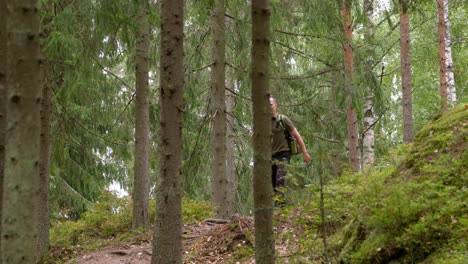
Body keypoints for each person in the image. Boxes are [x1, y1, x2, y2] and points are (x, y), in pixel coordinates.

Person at [270, 96, 311, 206]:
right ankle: (282, 206)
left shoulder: (283, 119)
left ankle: (278, 208)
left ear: (276, 105)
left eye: (271, 104)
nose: (269, 107)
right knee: (273, 182)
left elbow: (297, 136)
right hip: (269, 156)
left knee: (280, 180)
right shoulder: (263, 123)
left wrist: (305, 153)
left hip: (283, 154)